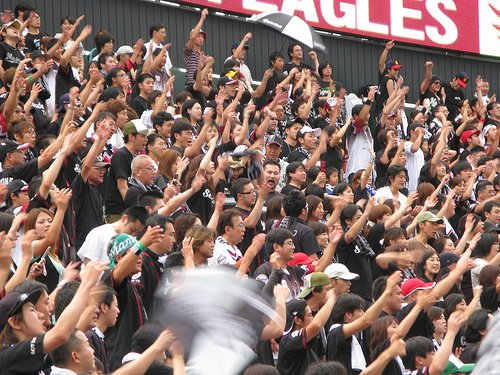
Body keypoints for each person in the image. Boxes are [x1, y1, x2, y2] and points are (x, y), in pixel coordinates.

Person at [0, 261, 106, 374]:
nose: (40, 315)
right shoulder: (8, 356)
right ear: (15, 323)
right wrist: (86, 284)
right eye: (32, 310)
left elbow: (63, 338)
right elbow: (60, 335)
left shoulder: (32, 356)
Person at [277, 289, 336, 375]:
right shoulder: (288, 341)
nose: (312, 319)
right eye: (310, 315)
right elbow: (316, 325)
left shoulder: (302, 342)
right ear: (297, 320)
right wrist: (331, 299)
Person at [105, 120, 149, 223]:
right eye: (143, 136)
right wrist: (136, 211)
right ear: (131, 137)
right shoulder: (121, 155)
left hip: (127, 211)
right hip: (119, 212)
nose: (146, 140)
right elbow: (122, 186)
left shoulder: (134, 156)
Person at [184, 8, 208, 85]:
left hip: (202, 85)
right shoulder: (189, 51)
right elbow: (193, 37)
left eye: (202, 37)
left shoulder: (204, 55)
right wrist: (202, 19)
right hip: (191, 83)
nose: (201, 39)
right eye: (198, 36)